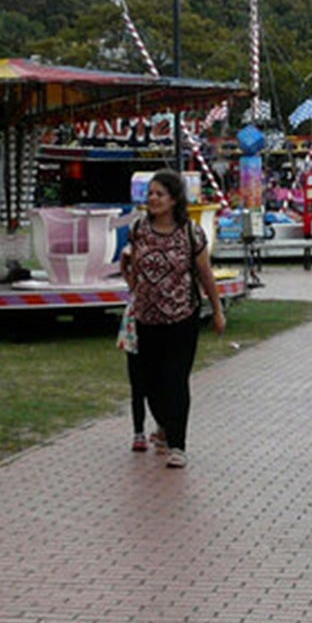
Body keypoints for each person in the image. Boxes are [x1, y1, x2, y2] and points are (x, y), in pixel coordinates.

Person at [118, 168, 226, 468]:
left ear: (175, 199)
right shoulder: (139, 228)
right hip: (146, 318)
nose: (153, 199)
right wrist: (134, 286)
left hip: (182, 318)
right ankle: (163, 426)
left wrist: (216, 309)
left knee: (175, 380)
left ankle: (178, 444)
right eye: (150, 193)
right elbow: (131, 264)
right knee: (150, 382)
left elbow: (205, 273)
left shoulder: (191, 233)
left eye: (159, 194)